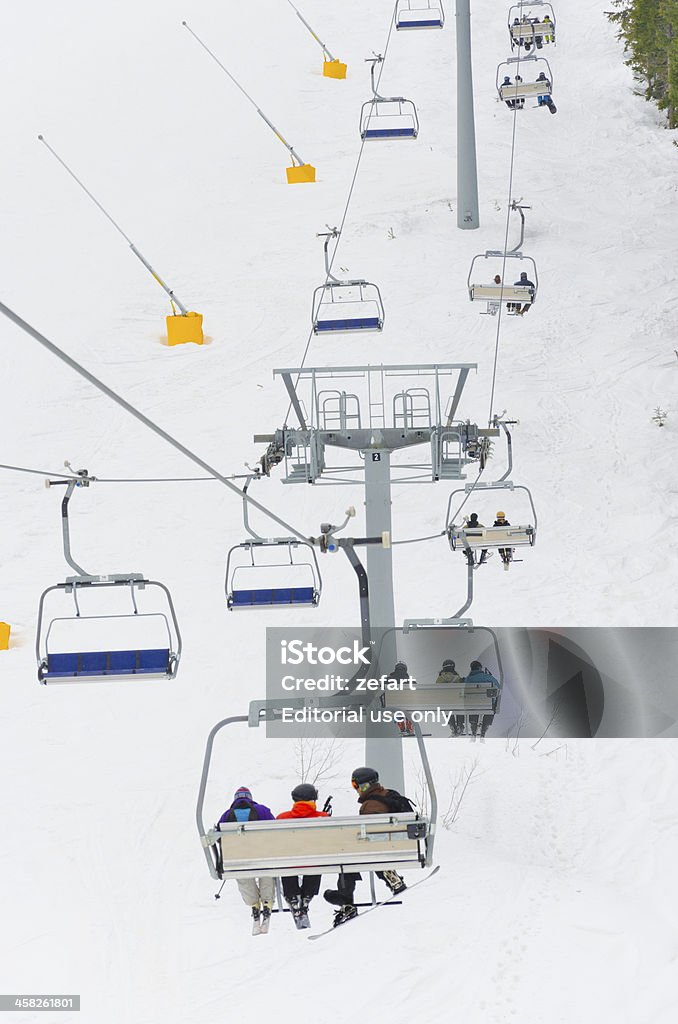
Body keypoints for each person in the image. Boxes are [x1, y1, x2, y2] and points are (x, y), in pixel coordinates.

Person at [323, 768, 409, 925]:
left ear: (364, 785)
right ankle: (391, 878)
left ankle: (346, 900)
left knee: (347, 857)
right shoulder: (391, 795)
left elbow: (370, 834)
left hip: (378, 849)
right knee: (368, 852)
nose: (355, 789)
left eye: (355, 785)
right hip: (400, 846)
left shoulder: (370, 805)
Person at [218, 787, 275, 930]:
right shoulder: (262, 810)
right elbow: (275, 829)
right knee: (266, 871)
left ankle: (254, 905)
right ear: (250, 797)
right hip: (263, 854)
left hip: (239, 858)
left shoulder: (227, 815)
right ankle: (267, 903)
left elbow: (219, 836)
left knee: (243, 875)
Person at [276, 783, 329, 925]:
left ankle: (292, 896)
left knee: (287, 862)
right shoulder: (322, 817)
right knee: (316, 860)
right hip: (313, 863)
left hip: (290, 863)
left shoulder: (282, 818)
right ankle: (307, 895)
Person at [465, 660, 502, 739]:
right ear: (479, 668)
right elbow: (498, 687)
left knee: (473, 704)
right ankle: (483, 730)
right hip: (487, 705)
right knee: (492, 705)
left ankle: (473, 729)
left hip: (472, 705)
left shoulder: (468, 679)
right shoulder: (487, 677)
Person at [436, 658, 466, 735]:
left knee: (446, 707)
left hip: (445, 702)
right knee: (459, 707)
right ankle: (460, 725)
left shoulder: (440, 679)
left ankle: (452, 725)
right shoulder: (457, 678)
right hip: (457, 702)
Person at [389, 662, 415, 735]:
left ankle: (401, 727)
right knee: (409, 709)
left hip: (393, 705)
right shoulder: (411, 680)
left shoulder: (388, 679)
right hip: (407, 705)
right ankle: (409, 727)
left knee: (397, 709)